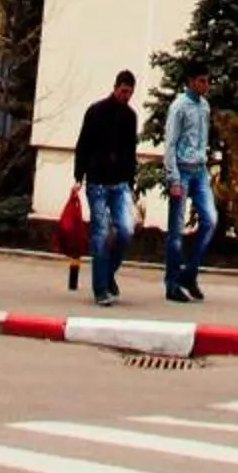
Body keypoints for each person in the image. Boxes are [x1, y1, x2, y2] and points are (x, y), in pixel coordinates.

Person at [73, 68, 138, 307]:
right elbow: (83, 144)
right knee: (100, 234)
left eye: (130, 93)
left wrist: (132, 183)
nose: (126, 96)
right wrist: (78, 177)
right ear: (115, 87)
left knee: (126, 229)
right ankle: (100, 288)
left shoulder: (131, 117)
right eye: (123, 91)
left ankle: (108, 274)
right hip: (97, 182)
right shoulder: (96, 111)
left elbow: (131, 152)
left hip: (120, 184)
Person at [163, 63, 218, 302]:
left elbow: (202, 138)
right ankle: (172, 282)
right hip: (182, 171)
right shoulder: (179, 107)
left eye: (207, 80)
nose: (206, 85)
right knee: (176, 231)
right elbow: (170, 144)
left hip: (199, 169)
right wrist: (173, 177)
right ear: (191, 81)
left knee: (210, 220)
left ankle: (190, 272)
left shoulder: (204, 106)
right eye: (201, 81)